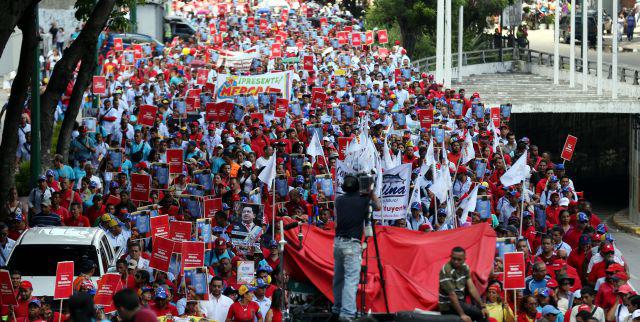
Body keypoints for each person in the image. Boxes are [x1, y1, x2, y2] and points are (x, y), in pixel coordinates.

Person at [331, 174, 381, 321]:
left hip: (338, 243)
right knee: (350, 280)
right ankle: (347, 314)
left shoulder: (339, 201)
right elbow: (378, 206)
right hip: (352, 245)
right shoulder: (364, 201)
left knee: (338, 278)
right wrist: (371, 193)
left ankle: (337, 308)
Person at [439, 246, 488, 322]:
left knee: (483, 313)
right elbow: (452, 295)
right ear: (450, 257)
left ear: (464, 259)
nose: (456, 261)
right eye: (454, 258)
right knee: (478, 313)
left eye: (459, 259)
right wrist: (462, 314)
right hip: (448, 305)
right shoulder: (446, 270)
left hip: (460, 302)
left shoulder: (465, 267)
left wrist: (482, 306)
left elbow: (472, 288)